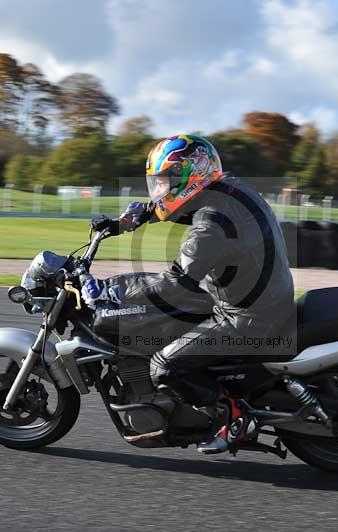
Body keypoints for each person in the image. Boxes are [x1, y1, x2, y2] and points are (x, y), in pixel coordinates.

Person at [81, 134, 294, 453]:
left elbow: (175, 283)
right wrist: (133, 220)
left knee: (164, 366)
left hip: (247, 316)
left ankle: (236, 418)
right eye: (159, 182)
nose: (160, 189)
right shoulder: (228, 188)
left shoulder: (211, 223)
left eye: (167, 181)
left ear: (192, 174)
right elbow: (184, 205)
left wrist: (112, 290)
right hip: (253, 295)